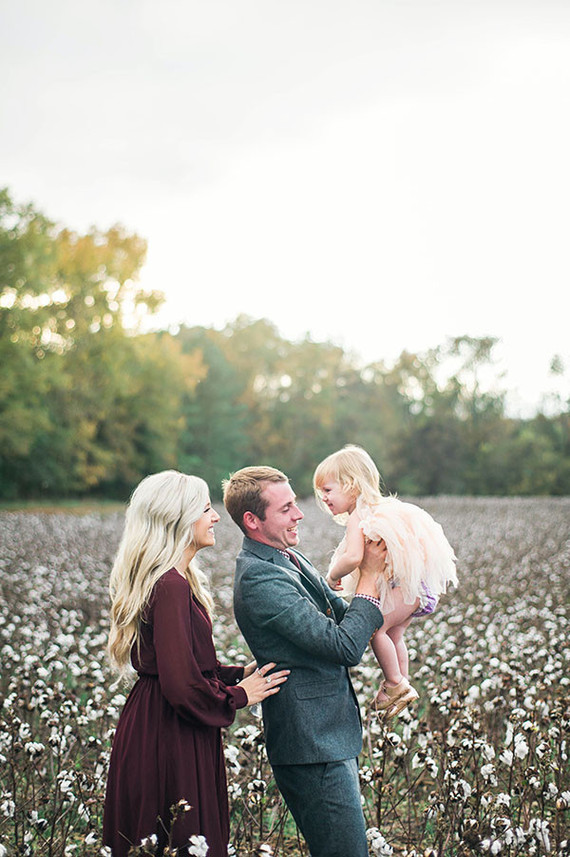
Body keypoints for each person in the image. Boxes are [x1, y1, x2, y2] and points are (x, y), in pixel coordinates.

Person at [103, 470, 289, 857]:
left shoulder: (172, 578)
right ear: (179, 519)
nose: (217, 517)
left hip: (156, 722)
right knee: (184, 838)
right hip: (170, 733)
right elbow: (181, 684)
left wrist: (238, 674)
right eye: (206, 509)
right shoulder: (170, 585)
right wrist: (239, 696)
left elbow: (183, 664)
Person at [223, 465, 387, 857]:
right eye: (286, 509)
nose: (299, 515)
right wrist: (369, 575)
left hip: (328, 737)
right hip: (311, 747)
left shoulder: (289, 558)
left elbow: (343, 616)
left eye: (295, 504)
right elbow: (347, 646)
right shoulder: (261, 580)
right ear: (253, 521)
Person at [313, 445, 458, 718]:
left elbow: (354, 556)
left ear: (351, 485)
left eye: (328, 490)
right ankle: (402, 684)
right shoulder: (385, 509)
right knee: (395, 635)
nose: (324, 497)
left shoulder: (359, 516)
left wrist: (333, 575)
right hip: (415, 589)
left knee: (375, 630)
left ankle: (395, 683)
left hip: (399, 591)